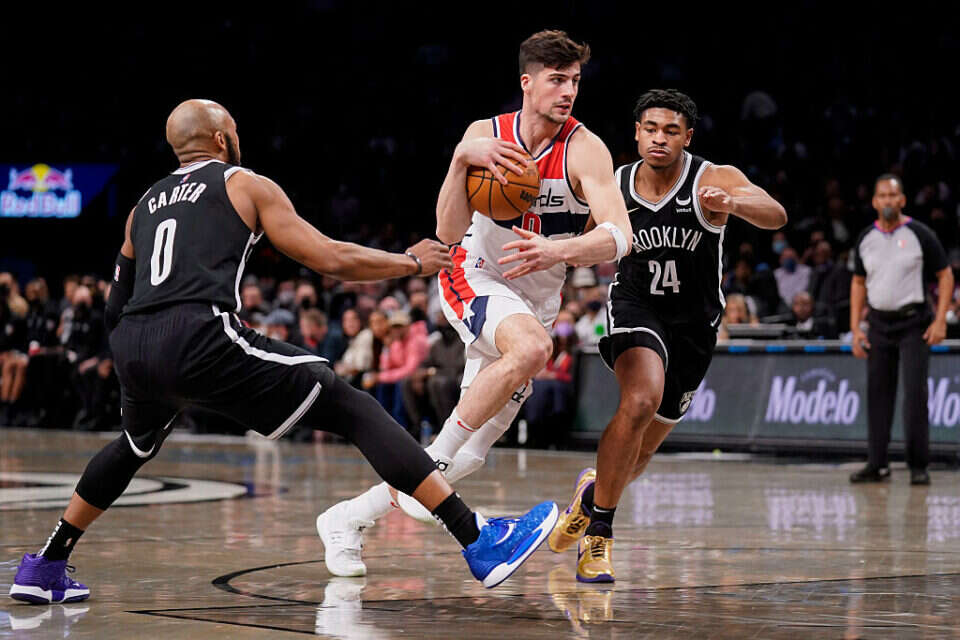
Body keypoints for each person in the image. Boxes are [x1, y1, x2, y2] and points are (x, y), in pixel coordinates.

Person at [8, 99, 559, 605]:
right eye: (234, 130)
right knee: (353, 407)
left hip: (134, 343)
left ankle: (46, 565)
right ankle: (477, 538)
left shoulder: (142, 207)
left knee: (133, 447)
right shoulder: (243, 183)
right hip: (200, 333)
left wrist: (141, 363)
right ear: (221, 139)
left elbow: (114, 304)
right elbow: (329, 257)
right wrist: (410, 263)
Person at [316, 29, 632, 577]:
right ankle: (434, 458)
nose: (568, 92)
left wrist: (557, 249)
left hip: (535, 295)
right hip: (475, 273)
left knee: (470, 455)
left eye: (575, 81)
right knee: (532, 349)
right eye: (557, 80)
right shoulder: (484, 136)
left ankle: (348, 517)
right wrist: (461, 159)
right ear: (527, 82)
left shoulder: (586, 148)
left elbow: (619, 235)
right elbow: (446, 231)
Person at [549, 89, 787, 582]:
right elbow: (581, 243)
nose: (660, 138)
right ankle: (599, 535)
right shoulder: (614, 184)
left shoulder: (711, 178)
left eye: (671, 131)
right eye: (651, 129)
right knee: (640, 399)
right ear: (637, 133)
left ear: (687, 137)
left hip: (694, 326)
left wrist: (734, 203)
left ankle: (591, 495)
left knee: (639, 456)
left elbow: (775, 214)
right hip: (635, 306)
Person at [848, 174, 953, 486]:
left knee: (915, 395)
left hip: (914, 323)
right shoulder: (866, 237)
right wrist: (855, 328)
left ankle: (918, 465)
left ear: (902, 200)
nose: (888, 201)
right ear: (874, 202)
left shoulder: (920, 233)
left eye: (893, 195)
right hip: (878, 324)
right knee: (878, 395)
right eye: (882, 195)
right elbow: (858, 282)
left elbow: (945, 275)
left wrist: (941, 320)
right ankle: (877, 464)